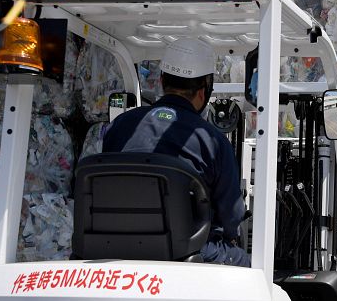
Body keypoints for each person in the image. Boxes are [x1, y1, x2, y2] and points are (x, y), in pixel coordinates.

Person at [102, 37, 250, 267]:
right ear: (204, 90)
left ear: (162, 81)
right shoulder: (212, 141)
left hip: (114, 242)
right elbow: (231, 217)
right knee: (247, 263)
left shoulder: (120, 126)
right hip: (186, 250)